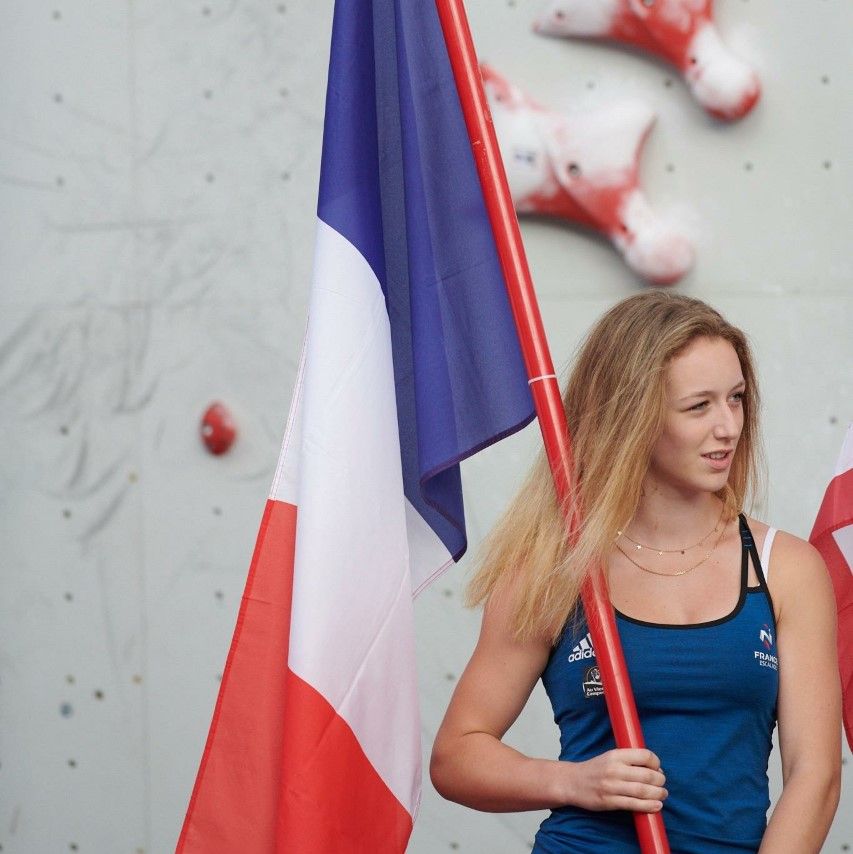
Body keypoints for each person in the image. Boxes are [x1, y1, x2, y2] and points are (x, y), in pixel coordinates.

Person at [430, 293, 841, 853]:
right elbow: (457, 754)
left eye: (737, 399)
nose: (729, 427)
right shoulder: (557, 568)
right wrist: (571, 781)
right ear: (634, 415)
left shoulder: (785, 568)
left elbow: (815, 776)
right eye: (699, 406)